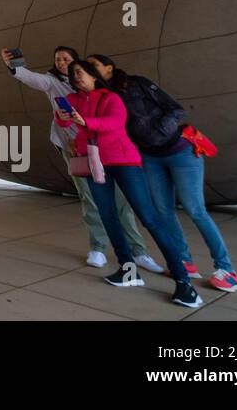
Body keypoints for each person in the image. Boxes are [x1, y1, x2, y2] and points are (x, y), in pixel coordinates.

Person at [86, 55, 237, 292]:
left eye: (94, 66)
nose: (90, 70)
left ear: (109, 67)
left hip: (181, 150)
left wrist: (162, 127)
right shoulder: (103, 96)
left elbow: (176, 109)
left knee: (195, 210)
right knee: (163, 211)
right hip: (150, 156)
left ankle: (227, 270)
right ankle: (185, 262)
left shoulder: (136, 83)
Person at [0, 48, 161, 272]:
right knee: (91, 199)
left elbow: (114, 120)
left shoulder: (102, 90)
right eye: (57, 59)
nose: (62, 63)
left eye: (67, 59)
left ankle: (139, 251)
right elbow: (32, 79)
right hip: (77, 150)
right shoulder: (53, 83)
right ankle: (98, 247)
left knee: (122, 202)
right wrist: (15, 66)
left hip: (107, 149)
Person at [56, 60, 201, 308]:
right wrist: (62, 117)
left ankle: (183, 281)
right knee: (108, 216)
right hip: (94, 163)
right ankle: (128, 270)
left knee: (149, 217)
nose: (76, 77)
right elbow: (66, 123)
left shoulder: (111, 97)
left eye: (80, 72)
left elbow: (114, 124)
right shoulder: (73, 99)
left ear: (93, 76)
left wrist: (86, 122)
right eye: (73, 74)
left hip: (123, 162)